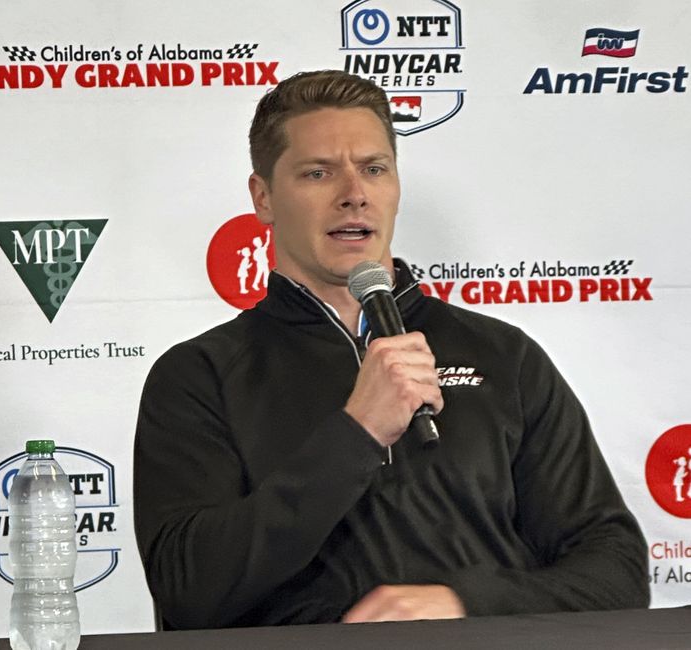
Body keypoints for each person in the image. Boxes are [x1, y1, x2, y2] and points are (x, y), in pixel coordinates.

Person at [134, 70, 649, 630]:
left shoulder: (505, 356)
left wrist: (464, 603)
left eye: (374, 169)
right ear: (264, 198)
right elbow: (188, 592)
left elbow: (615, 572)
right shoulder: (199, 376)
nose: (353, 193)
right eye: (318, 173)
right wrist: (355, 434)